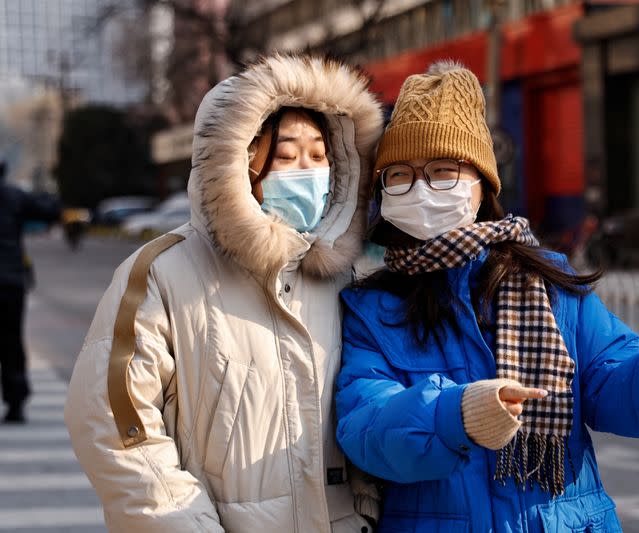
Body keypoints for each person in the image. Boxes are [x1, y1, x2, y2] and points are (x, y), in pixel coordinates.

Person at [334, 61, 639, 532]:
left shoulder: (548, 281)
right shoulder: (370, 306)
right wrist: (453, 416)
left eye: (441, 171)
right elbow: (366, 427)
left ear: (481, 185)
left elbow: (612, 385)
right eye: (399, 176)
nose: (420, 190)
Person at [64, 54, 383, 532]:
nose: (308, 169)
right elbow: (114, 423)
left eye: (320, 155)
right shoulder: (162, 273)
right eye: (287, 154)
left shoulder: (345, 277)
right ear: (240, 159)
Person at [0, 160, 61, 423]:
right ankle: (15, 403)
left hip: (10, 280)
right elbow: (50, 211)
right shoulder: (13, 196)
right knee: (11, 343)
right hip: (9, 282)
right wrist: (49, 191)